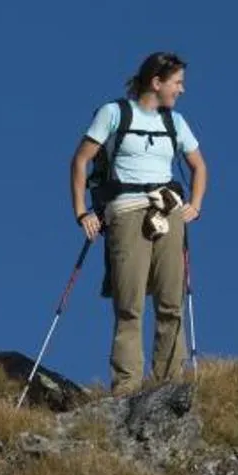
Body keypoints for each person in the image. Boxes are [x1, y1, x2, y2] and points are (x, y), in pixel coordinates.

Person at [70, 52, 207, 391]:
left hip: (168, 212)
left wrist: (195, 206)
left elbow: (199, 167)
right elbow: (80, 161)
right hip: (126, 212)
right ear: (156, 83)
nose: (182, 90)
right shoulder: (113, 113)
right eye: (177, 83)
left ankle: (167, 386)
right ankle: (127, 389)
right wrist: (82, 212)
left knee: (171, 301)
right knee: (129, 304)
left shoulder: (176, 122)